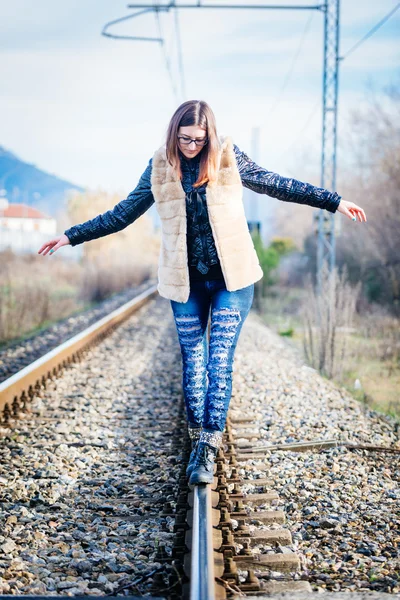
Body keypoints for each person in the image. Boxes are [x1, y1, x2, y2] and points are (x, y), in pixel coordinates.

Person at [38, 100, 367, 485]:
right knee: (194, 363)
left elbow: (278, 184)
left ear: (210, 134)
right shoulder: (160, 165)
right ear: (173, 135)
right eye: (184, 139)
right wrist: (70, 236)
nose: (191, 146)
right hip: (185, 282)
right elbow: (123, 213)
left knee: (220, 360)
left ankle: (208, 449)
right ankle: (198, 440)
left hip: (233, 279)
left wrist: (334, 202)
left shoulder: (228, 157)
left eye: (198, 139)